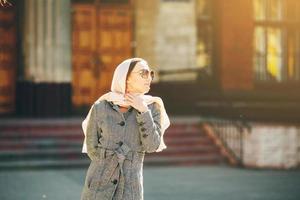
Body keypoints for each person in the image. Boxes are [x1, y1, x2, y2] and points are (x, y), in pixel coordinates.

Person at [80, 58, 171, 200]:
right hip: (98, 186)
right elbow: (92, 147)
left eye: (150, 74)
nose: (149, 78)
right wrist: (106, 165)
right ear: (125, 78)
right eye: (144, 73)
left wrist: (143, 111)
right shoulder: (101, 107)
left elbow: (152, 145)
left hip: (130, 189)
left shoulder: (153, 107)